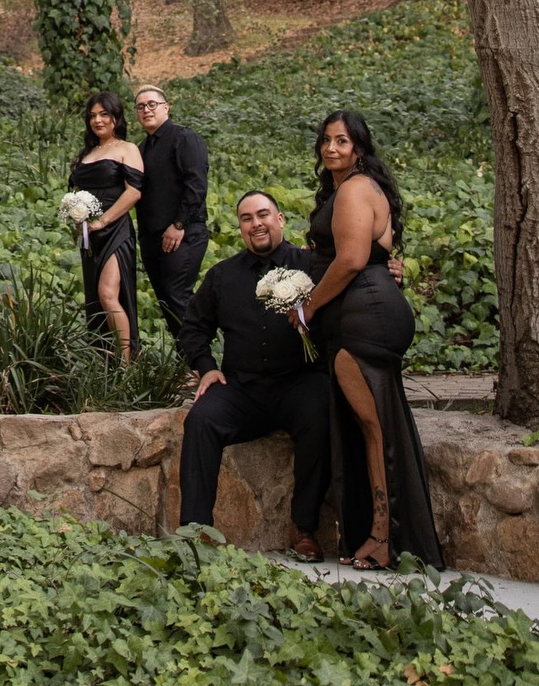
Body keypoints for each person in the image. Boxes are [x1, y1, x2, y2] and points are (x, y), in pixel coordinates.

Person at [300, 108, 442, 569]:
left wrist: (308, 306)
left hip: (363, 318)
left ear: (358, 147)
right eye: (325, 141)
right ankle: (379, 533)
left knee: (375, 429)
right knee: (375, 426)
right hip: (365, 311)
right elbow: (369, 254)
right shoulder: (350, 189)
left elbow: (352, 260)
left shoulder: (356, 188)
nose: (331, 149)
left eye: (341, 141)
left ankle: (387, 538)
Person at [177, 191, 330, 558]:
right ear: (241, 228)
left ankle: (304, 527)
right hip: (242, 389)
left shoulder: (311, 265)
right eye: (246, 218)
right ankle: (195, 531)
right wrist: (207, 368)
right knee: (201, 420)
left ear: (280, 219)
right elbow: (192, 328)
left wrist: (392, 273)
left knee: (323, 413)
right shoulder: (223, 275)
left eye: (263, 215)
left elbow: (353, 281)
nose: (255, 223)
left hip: (299, 383)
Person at [70, 91, 144, 360]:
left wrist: (103, 220)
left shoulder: (127, 148)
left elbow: (133, 192)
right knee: (95, 297)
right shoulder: (88, 152)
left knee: (108, 294)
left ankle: (127, 363)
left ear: (116, 117)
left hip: (115, 229)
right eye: (92, 116)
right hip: (90, 234)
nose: (97, 120)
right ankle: (104, 360)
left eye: (103, 114)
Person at [134, 85, 209, 339]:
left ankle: (202, 363)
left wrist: (179, 225)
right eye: (141, 106)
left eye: (152, 104)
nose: (146, 110)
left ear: (166, 107)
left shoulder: (183, 138)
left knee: (178, 297)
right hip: (152, 238)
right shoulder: (142, 149)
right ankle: (187, 365)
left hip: (183, 233)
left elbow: (196, 184)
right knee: (167, 302)